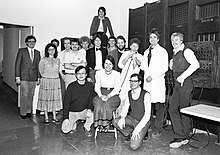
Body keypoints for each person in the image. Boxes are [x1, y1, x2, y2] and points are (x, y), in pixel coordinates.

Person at [169, 32, 200, 148]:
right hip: (177, 85)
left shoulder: (187, 51)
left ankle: (184, 136)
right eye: (172, 40)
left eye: (176, 40)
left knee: (184, 110)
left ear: (181, 41)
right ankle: (181, 134)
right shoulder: (175, 52)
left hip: (185, 84)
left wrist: (183, 76)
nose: (174, 42)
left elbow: (196, 64)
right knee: (172, 109)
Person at [140, 31, 168, 138]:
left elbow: (164, 67)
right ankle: (149, 125)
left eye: (154, 37)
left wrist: (153, 76)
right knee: (148, 106)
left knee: (159, 107)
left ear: (158, 39)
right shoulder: (147, 52)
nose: (152, 39)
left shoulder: (162, 52)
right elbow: (144, 66)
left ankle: (158, 129)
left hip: (157, 82)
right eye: (150, 37)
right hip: (147, 83)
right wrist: (138, 62)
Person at [112, 73, 151, 150]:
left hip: (142, 122)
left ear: (139, 82)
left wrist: (138, 129)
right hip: (132, 119)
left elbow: (147, 115)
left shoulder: (146, 94)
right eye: (131, 81)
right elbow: (126, 107)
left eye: (135, 81)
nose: (132, 83)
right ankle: (130, 132)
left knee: (134, 146)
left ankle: (142, 133)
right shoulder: (129, 93)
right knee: (115, 122)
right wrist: (122, 117)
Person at [62, 66, 97, 137]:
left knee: (93, 115)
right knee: (65, 130)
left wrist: (89, 109)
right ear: (75, 75)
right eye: (78, 73)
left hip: (83, 112)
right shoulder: (71, 86)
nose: (81, 75)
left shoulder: (90, 85)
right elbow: (66, 103)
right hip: (72, 112)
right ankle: (74, 123)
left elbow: (91, 99)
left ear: (86, 74)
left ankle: (86, 127)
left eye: (83, 73)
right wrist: (65, 118)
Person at [15, 35, 41, 119]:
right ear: (26, 43)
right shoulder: (22, 51)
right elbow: (17, 64)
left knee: (31, 94)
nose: (31, 43)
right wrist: (17, 77)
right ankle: (23, 113)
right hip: (24, 76)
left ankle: (29, 111)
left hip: (33, 77)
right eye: (30, 41)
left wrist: (38, 77)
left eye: (33, 42)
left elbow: (38, 66)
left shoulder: (37, 52)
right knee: (24, 95)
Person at [93, 55, 121, 131]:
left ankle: (106, 122)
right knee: (98, 103)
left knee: (106, 104)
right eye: (106, 63)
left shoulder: (117, 74)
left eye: (110, 64)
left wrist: (108, 96)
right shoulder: (99, 73)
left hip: (113, 95)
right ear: (103, 64)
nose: (108, 66)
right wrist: (101, 95)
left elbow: (117, 88)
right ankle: (100, 123)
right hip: (101, 93)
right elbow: (97, 87)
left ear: (113, 65)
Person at [37, 43, 62, 124]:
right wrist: (46, 77)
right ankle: (46, 117)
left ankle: (54, 116)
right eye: (50, 49)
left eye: (53, 49)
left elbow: (59, 70)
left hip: (55, 81)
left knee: (55, 98)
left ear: (55, 51)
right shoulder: (43, 60)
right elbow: (41, 71)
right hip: (46, 81)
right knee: (46, 98)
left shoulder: (58, 60)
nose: (51, 51)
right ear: (47, 51)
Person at [117, 38, 143, 116]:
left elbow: (136, 70)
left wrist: (134, 59)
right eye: (133, 46)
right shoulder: (125, 53)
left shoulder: (140, 56)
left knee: (130, 101)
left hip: (133, 82)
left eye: (136, 46)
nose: (134, 48)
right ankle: (119, 118)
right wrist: (128, 57)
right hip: (123, 81)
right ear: (130, 46)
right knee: (121, 100)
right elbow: (120, 65)